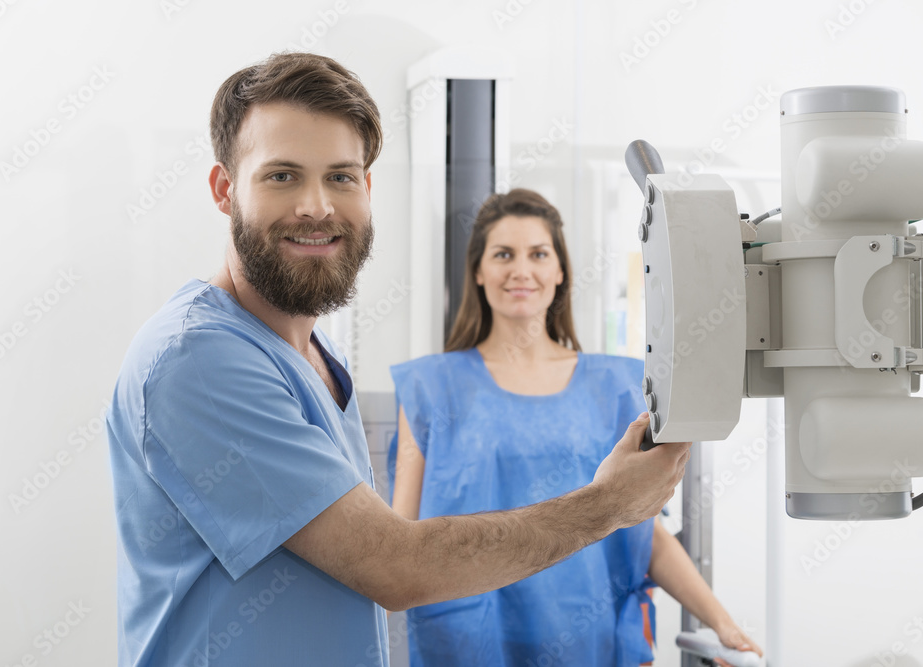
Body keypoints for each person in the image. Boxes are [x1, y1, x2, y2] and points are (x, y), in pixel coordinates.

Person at [105, 52, 690, 667]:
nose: (317, 206)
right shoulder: (198, 359)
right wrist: (607, 504)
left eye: (341, 176)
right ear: (225, 190)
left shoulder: (314, 355)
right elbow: (395, 565)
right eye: (282, 176)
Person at [389, 188, 763, 666]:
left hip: (590, 642)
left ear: (560, 271)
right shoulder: (429, 388)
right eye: (503, 254)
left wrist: (723, 624)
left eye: (538, 254)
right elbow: (400, 543)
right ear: (479, 272)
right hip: (470, 643)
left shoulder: (619, 385)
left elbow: (644, 535)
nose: (521, 269)